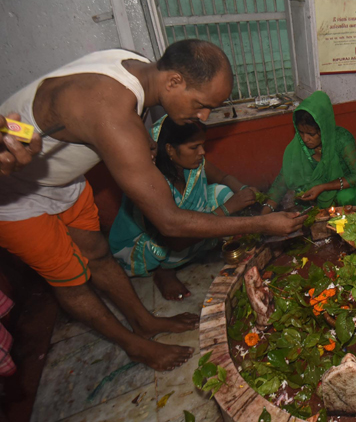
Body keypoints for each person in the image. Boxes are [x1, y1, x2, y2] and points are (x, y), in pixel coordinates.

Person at [0, 40, 305, 372]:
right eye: (201, 104)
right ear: (173, 82)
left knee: (97, 255)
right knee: (72, 281)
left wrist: (143, 137)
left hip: (64, 179)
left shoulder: (138, 68)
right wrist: (263, 224)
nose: (202, 116)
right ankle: (134, 346)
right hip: (16, 194)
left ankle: (143, 322)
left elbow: (122, 118)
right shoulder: (110, 113)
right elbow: (170, 222)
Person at [110, 117, 259, 300]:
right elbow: (175, 238)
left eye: (202, 145)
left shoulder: (194, 166)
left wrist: (245, 191)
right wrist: (228, 209)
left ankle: (204, 243)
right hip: (156, 240)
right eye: (194, 147)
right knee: (189, 235)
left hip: (182, 226)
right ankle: (164, 271)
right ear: (170, 149)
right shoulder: (150, 180)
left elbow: (223, 177)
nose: (202, 152)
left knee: (224, 192)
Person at [264, 91, 356, 210]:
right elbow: (283, 180)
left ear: (323, 129)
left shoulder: (342, 140)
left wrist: (324, 187)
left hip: (355, 183)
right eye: (301, 132)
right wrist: (264, 213)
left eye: (311, 134)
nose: (305, 139)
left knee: (345, 197)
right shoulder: (299, 145)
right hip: (325, 187)